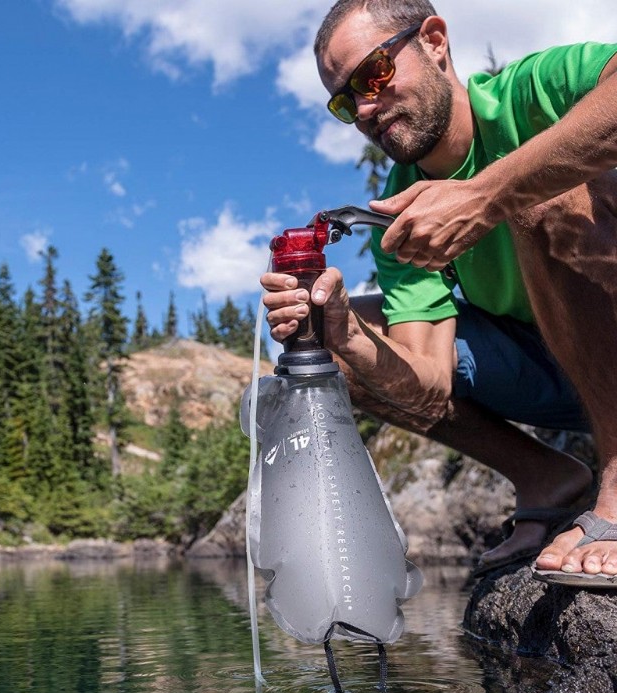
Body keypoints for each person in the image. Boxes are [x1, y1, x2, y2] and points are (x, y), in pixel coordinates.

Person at [261, 0, 617, 585]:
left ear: (433, 40)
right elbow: (427, 387)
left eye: (373, 74)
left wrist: (487, 194)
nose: (367, 109)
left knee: (545, 198)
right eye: (346, 102)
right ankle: (547, 480)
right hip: (560, 375)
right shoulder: (399, 212)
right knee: (332, 358)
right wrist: (345, 333)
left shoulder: (534, 90)